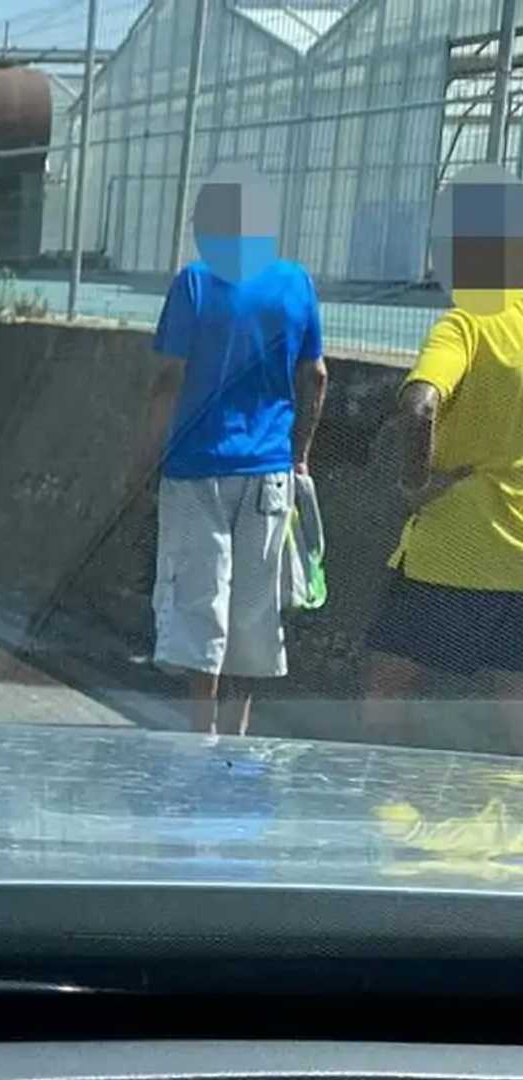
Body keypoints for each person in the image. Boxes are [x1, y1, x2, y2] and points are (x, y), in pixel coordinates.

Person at [150, 170, 327, 737]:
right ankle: (239, 737)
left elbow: (168, 379)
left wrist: (147, 454)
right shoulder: (296, 283)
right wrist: (299, 454)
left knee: (201, 601)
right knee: (256, 608)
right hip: (269, 471)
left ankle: (200, 737)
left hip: (195, 468)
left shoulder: (195, 283)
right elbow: (316, 377)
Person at [361, 167, 523, 750]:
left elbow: (421, 405)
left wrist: (416, 483)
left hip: (453, 554)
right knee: (515, 695)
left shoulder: (466, 323)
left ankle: (386, 804)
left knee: (389, 683)